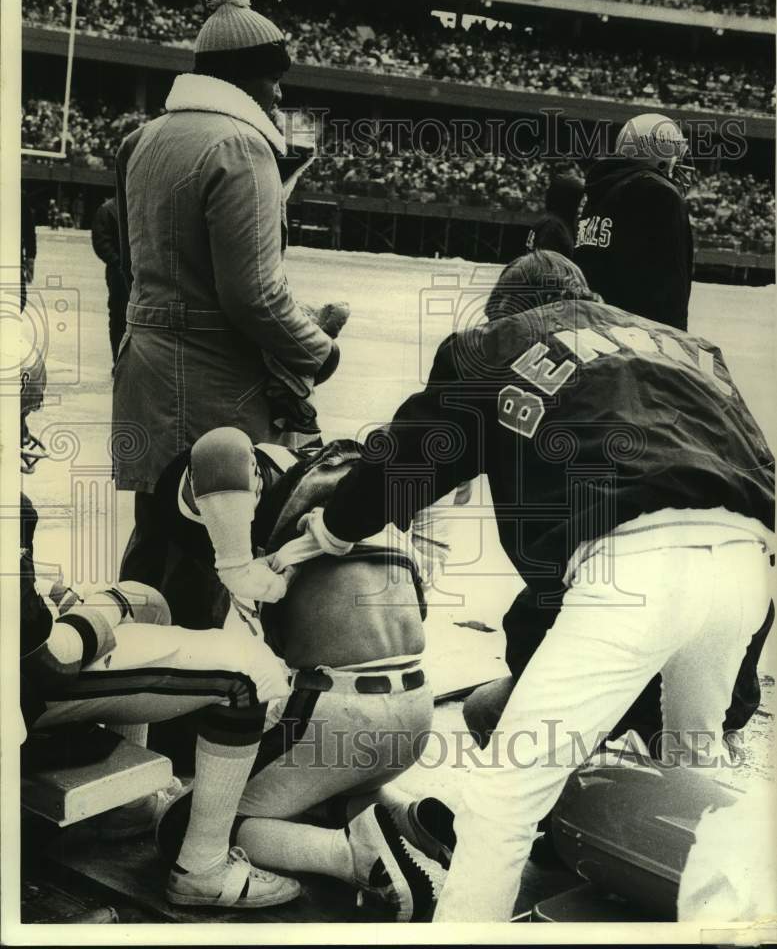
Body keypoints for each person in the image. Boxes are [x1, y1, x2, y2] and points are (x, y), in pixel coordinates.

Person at [269, 250, 774, 922]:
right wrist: (734, 689)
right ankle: (715, 906)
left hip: (632, 565)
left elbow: (419, 451)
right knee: (693, 765)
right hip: (747, 561)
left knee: (502, 801)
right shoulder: (688, 347)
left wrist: (333, 527)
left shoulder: (496, 343)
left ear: (506, 311)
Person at [19, 352, 302, 910]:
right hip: (19, 693)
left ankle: (124, 809)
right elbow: (43, 661)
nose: (28, 430)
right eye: (23, 411)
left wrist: (66, 599)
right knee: (248, 674)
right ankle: (203, 869)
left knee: (146, 600)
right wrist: (101, 612)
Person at [153, 426, 454, 920]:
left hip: (343, 706)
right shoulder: (352, 485)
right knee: (306, 787)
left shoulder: (250, 481)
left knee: (189, 825)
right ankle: (406, 815)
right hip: (415, 710)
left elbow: (219, 446)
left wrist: (233, 565)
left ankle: (356, 858)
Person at [112, 0, 337, 592]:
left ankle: (135, 656)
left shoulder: (146, 137)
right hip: (214, 377)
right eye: (272, 77)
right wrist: (318, 348)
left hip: (147, 368)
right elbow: (255, 294)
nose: (279, 91)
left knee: (155, 534)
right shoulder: (241, 143)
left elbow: (134, 263)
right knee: (217, 543)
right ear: (242, 77)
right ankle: (209, 680)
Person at [574, 112, 694, 330]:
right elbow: (671, 293)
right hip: (637, 340)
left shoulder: (597, 192)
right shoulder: (661, 194)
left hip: (592, 331)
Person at [91, 196, 130, 366]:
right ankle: (119, 360)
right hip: (119, 273)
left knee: (126, 317)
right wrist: (117, 263)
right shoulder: (108, 210)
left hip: (130, 270)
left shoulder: (109, 209)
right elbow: (101, 242)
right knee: (119, 316)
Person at [525, 171, 584, 259]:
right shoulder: (553, 226)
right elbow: (546, 265)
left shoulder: (552, 221)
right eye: (579, 199)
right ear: (570, 199)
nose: (582, 203)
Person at [21, 189, 36, 313]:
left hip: (13, 255)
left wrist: (30, 257)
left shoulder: (19, 196)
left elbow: (29, 230)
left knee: (20, 298)